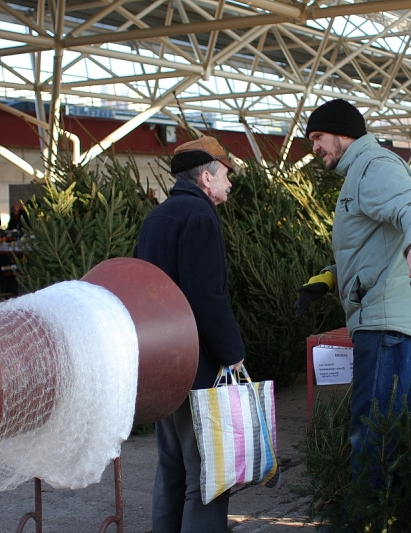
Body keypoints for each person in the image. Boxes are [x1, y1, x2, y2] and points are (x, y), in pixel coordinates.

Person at [295, 99, 411, 481]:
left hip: (387, 324)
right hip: (388, 319)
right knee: (393, 430)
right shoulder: (360, 172)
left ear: (343, 132)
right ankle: (392, 512)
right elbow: (371, 246)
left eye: (318, 136)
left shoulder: (374, 167)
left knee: (375, 434)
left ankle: (371, 516)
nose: (313, 147)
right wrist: (330, 277)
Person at [134, 136, 246, 533]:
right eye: (226, 174)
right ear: (205, 177)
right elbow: (205, 296)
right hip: (196, 364)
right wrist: (233, 352)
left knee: (172, 466)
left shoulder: (160, 215)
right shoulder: (199, 217)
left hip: (163, 362)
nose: (230, 183)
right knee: (208, 472)